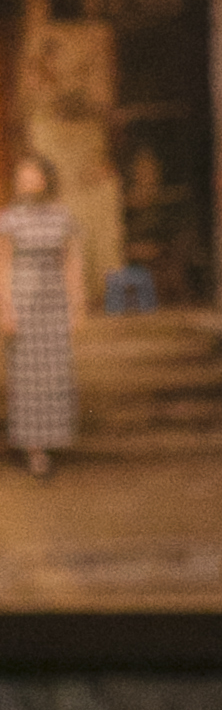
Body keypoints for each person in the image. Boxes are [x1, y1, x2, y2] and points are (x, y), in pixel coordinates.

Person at [0, 152, 85, 478]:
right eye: (23, 174)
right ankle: (34, 450)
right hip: (23, 306)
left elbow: (71, 264)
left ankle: (50, 441)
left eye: (33, 173)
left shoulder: (61, 217)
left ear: (45, 178)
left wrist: (76, 307)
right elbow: (4, 264)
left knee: (53, 376)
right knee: (26, 380)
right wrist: (6, 308)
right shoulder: (9, 219)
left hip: (54, 306)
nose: (27, 179)